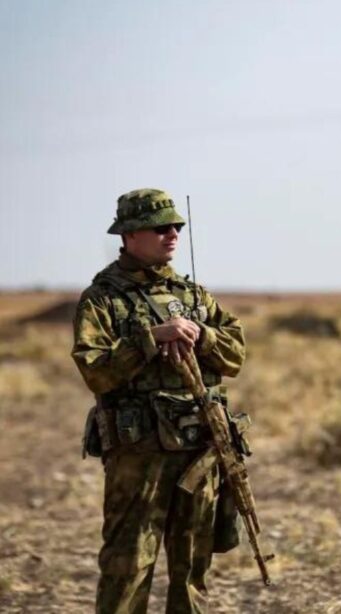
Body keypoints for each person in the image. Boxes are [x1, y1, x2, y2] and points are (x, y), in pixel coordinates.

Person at [72, 188, 246, 613]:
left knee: (192, 565)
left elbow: (235, 356)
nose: (172, 235)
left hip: (198, 448)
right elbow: (94, 369)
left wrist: (202, 334)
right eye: (160, 228)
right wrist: (151, 339)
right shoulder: (103, 299)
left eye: (176, 227)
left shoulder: (195, 297)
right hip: (139, 454)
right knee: (128, 565)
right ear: (130, 235)